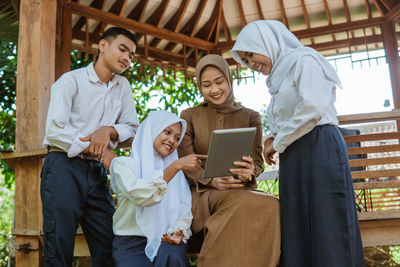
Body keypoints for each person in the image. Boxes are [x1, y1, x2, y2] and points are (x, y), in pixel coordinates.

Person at [231, 20, 365, 267]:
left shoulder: (304, 60)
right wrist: (274, 137)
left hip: (320, 148)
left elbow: (312, 108)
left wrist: (278, 142)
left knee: (328, 225)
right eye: (246, 61)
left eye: (251, 54)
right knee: (298, 226)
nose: (251, 64)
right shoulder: (277, 79)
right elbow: (289, 117)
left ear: (266, 41)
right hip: (295, 155)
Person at [41, 27, 139, 266]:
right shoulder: (70, 81)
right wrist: (91, 144)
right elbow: (54, 131)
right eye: (123, 49)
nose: (127, 58)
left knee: (110, 243)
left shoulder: (122, 86)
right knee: (59, 246)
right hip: (63, 166)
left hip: (97, 172)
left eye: (132, 55)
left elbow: (132, 127)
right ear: (103, 46)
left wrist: (108, 131)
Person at [178, 54, 281, 267]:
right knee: (239, 201)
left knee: (272, 204)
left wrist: (250, 171)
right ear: (200, 86)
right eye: (206, 85)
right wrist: (213, 181)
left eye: (219, 82)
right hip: (203, 194)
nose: (214, 89)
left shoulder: (251, 116)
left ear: (229, 80)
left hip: (239, 188)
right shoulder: (189, 116)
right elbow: (186, 162)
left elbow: (257, 160)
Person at [100, 110, 206, 267]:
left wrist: (178, 232)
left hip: (166, 241)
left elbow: (183, 209)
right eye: (167, 132)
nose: (172, 140)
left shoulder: (177, 175)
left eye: (177, 138)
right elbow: (144, 196)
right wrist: (176, 165)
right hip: (131, 243)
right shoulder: (124, 165)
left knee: (174, 256)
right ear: (152, 130)